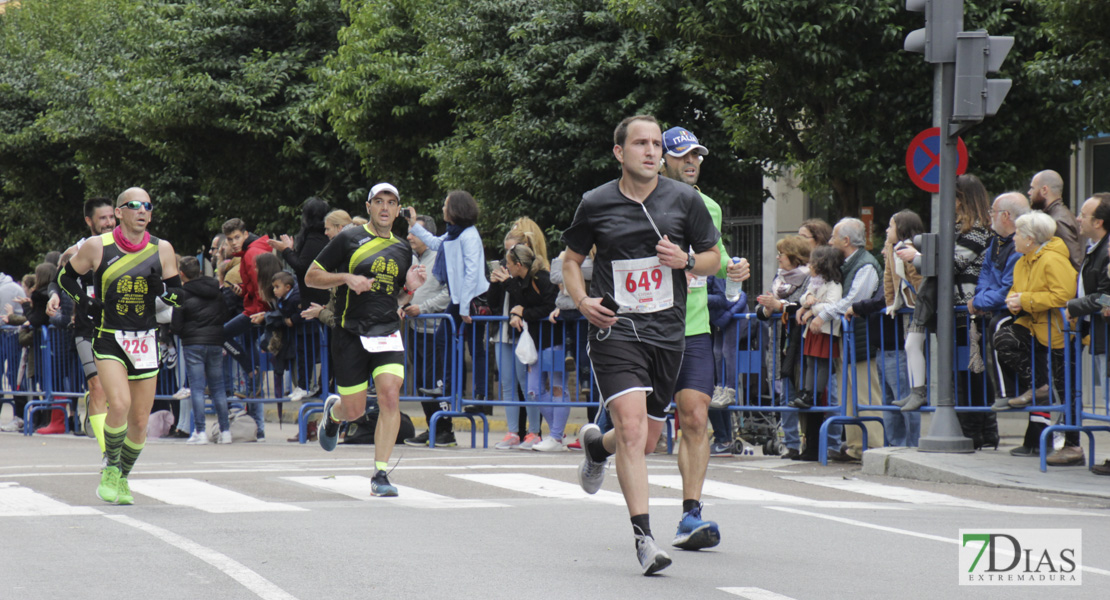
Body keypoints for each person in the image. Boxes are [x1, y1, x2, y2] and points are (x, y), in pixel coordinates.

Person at [562, 115, 721, 575]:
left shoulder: (685, 200)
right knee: (631, 428)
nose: (650, 152)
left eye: (656, 144)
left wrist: (688, 259)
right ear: (620, 153)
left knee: (646, 440)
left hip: (668, 334)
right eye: (640, 144)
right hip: (615, 330)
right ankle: (644, 538)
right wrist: (582, 300)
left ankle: (597, 449)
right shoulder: (596, 203)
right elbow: (571, 260)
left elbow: (712, 258)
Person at [57, 187, 182, 504]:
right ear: (120, 212)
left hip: (145, 340)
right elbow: (65, 278)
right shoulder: (98, 246)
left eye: (148, 206)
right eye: (135, 206)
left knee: (140, 422)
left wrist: (162, 293)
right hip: (110, 337)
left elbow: (180, 297)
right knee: (120, 405)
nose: (143, 211)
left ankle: (123, 477)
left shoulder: (162, 249)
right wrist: (84, 301)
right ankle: (110, 467)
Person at [307, 182, 425, 497]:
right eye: (379, 202)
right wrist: (346, 277)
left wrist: (410, 287)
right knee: (355, 411)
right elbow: (311, 276)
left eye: (391, 203)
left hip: (387, 331)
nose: (385, 208)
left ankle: (381, 474)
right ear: (369, 206)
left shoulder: (403, 248)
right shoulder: (349, 238)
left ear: (398, 210)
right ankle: (335, 414)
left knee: (389, 396)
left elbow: (395, 296)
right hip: (350, 333)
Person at [659, 125, 749, 529]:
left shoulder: (709, 207)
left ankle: (691, 514)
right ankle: (599, 444)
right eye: (681, 155)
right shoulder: (640, 203)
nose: (691, 161)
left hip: (693, 326)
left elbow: (721, 266)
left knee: (695, 417)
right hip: (647, 327)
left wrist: (735, 275)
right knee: (639, 436)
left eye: (695, 154)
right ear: (661, 160)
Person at [896, 174, 992, 413]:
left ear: (961, 199)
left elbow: (953, 263)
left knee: (972, 372)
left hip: (968, 311)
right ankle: (970, 425)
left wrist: (917, 258)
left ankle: (979, 427)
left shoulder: (978, 230)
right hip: (957, 309)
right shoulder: (960, 229)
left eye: (953, 196)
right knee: (961, 373)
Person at [990, 212, 1078, 463]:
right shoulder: (1022, 261)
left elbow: (1064, 296)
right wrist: (1014, 303)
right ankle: (1040, 387)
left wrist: (1025, 300)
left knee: (1067, 391)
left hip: (1060, 333)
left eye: (1018, 233)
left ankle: (1073, 446)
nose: (1014, 237)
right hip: (1033, 325)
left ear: (1029, 239)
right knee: (1004, 340)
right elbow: (1016, 291)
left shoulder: (1052, 259)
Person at [405, 191, 491, 410]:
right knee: (444, 338)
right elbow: (434, 243)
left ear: (455, 209)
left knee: (475, 347)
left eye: (446, 205)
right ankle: (449, 387)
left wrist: (463, 307)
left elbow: (472, 272)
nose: (443, 208)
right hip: (459, 297)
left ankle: (481, 396)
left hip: (472, 298)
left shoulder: (469, 235)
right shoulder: (453, 233)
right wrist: (413, 224)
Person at [815, 218, 882, 461]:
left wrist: (822, 313)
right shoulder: (849, 264)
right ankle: (855, 447)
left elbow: (853, 301)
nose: (830, 241)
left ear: (845, 240)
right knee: (849, 395)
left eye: (833, 237)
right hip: (850, 337)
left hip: (862, 338)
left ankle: (873, 446)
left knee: (865, 394)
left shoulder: (866, 265)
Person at [973, 192, 1030, 430]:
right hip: (1002, 304)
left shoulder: (1022, 247)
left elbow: (1009, 288)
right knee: (995, 325)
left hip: (1029, 314)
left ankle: (1011, 392)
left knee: (998, 326)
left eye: (992, 212)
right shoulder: (996, 241)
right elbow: (985, 275)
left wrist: (1093, 304)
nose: (989, 218)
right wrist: (980, 298)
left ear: (1006, 215)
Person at [501, 243, 565, 451]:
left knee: (557, 387)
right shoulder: (520, 281)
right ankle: (557, 433)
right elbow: (520, 304)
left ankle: (555, 435)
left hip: (553, 340)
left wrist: (523, 313)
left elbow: (550, 306)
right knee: (534, 390)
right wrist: (516, 312)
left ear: (519, 264)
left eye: (509, 264)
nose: (507, 267)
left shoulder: (542, 279)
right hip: (536, 342)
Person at [1062, 194, 1110, 467]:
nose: (1078, 218)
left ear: (1099, 221)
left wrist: (1075, 306)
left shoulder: (1106, 250)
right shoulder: (1097, 248)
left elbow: (1107, 298)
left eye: (1083, 214)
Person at [755, 235, 811, 458]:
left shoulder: (808, 277)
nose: (778, 257)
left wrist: (780, 306)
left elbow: (803, 303)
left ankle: (818, 441)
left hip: (800, 342)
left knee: (804, 391)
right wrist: (768, 309)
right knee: (784, 394)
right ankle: (791, 443)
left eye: (782, 253)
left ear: (794, 257)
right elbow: (763, 311)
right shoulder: (778, 279)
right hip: (779, 342)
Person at [402, 214, 454, 448]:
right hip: (416, 328)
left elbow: (449, 293)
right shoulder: (412, 258)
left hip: (437, 329)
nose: (409, 236)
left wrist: (422, 308)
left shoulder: (441, 257)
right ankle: (431, 426)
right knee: (423, 380)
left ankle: (445, 430)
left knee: (435, 381)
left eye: (415, 232)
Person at [491, 226, 546, 449]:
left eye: (511, 253)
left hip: (521, 334)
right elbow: (494, 303)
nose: (507, 261)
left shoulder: (529, 274)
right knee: (506, 384)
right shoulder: (507, 270)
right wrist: (495, 282)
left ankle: (534, 431)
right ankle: (512, 431)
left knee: (526, 384)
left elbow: (524, 298)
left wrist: (507, 282)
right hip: (502, 332)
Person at [873, 210, 924, 446]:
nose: (886, 230)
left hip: (919, 312)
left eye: (891, 226)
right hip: (907, 312)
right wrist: (891, 304)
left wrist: (916, 307)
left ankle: (912, 442)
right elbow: (889, 282)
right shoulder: (893, 251)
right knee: (894, 395)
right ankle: (897, 443)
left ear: (902, 229)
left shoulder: (908, 248)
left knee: (908, 382)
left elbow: (919, 282)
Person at [171, 256, 231, 444]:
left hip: (193, 343)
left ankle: (200, 431)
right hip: (215, 341)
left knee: (196, 388)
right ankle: (225, 431)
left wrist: (184, 333)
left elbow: (176, 324)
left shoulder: (181, 294)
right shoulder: (215, 290)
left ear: (182, 274)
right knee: (218, 388)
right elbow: (225, 313)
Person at [221, 218, 272, 433]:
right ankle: (257, 429)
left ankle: (251, 371)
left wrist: (260, 310)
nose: (233, 243)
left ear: (245, 234)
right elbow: (255, 285)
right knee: (247, 349)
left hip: (254, 312)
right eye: (230, 239)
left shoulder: (251, 254)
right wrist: (243, 290)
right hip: (253, 308)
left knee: (220, 335)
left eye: (236, 237)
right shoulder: (252, 250)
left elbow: (261, 286)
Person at [1029, 170, 1084, 270]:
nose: (1029, 193)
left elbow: (1075, 262)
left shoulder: (1057, 221)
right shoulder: (1058, 216)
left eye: (1032, 188)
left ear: (1044, 190)